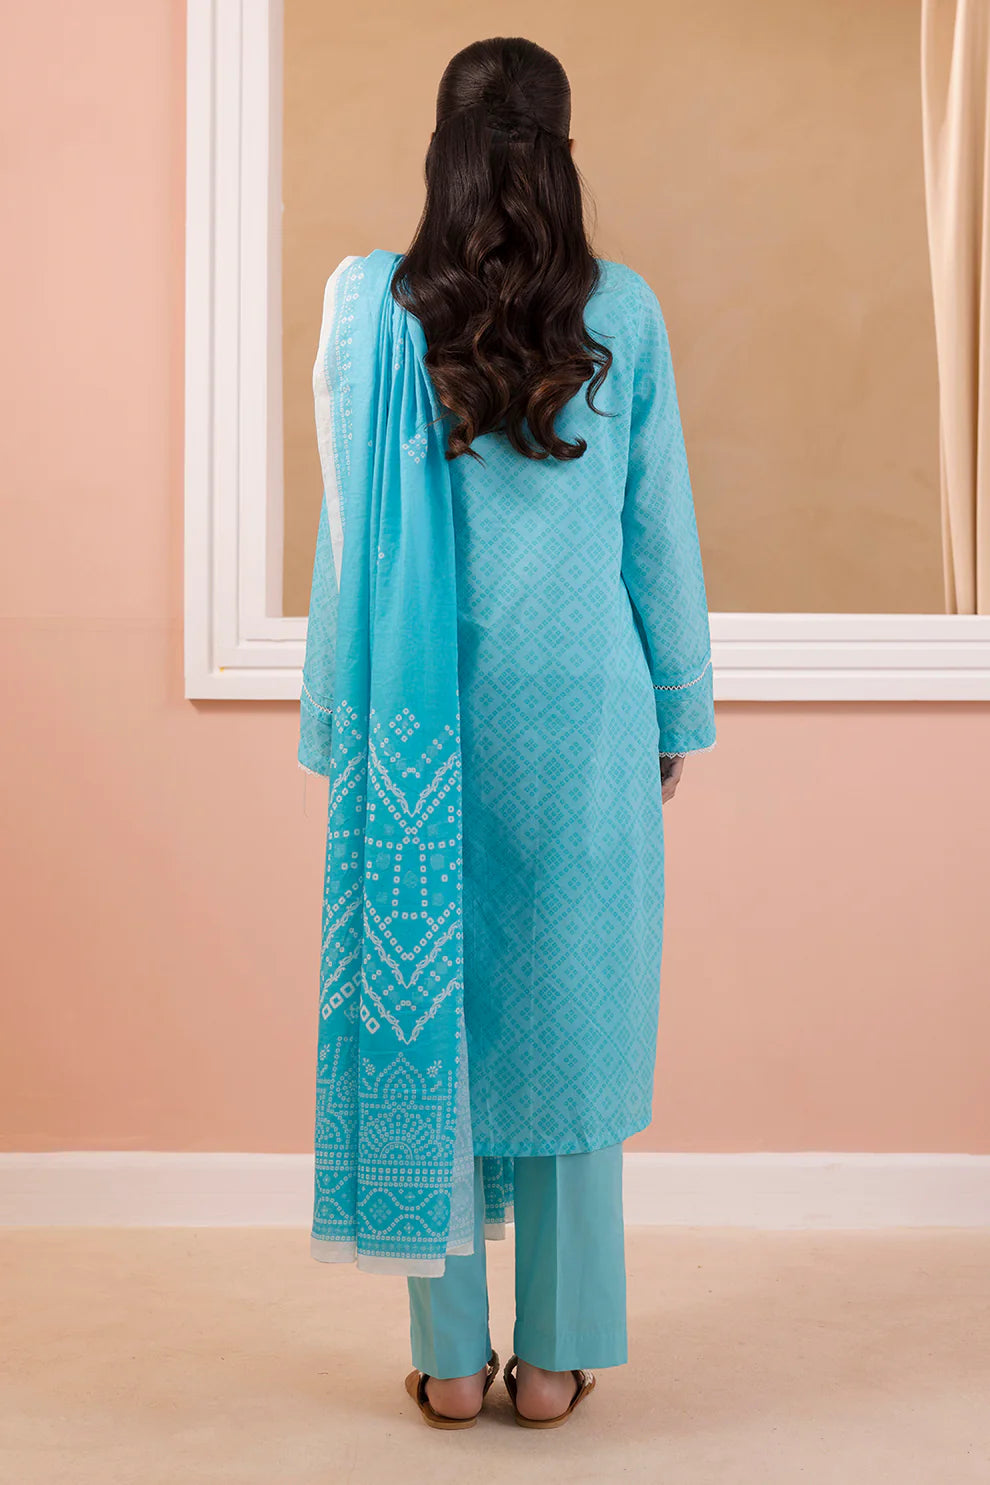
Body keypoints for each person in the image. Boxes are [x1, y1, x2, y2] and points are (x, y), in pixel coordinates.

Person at [297, 35, 716, 1431]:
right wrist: (677, 707)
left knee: (442, 1016)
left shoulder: (376, 312)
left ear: (444, 154)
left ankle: (450, 1361)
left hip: (426, 723)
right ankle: (555, 1361)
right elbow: (657, 529)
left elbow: (350, 541)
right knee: (571, 1017)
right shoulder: (622, 311)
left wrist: (338, 725)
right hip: (585, 710)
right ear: (564, 155)